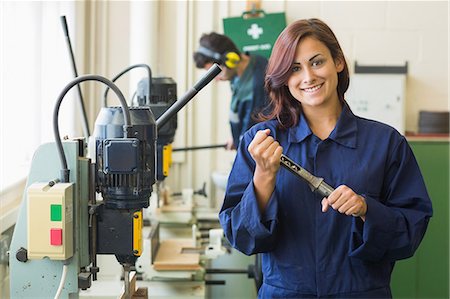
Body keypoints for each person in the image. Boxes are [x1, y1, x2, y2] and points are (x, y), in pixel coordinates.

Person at [219, 18, 433, 298]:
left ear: (338, 62)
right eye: (295, 69)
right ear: (283, 77)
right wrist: (263, 178)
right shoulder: (260, 142)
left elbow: (410, 230)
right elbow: (241, 237)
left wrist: (366, 209)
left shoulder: (386, 143)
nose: (308, 77)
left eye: (317, 62)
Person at [193, 32, 269, 150]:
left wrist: (241, 141)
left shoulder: (256, 85)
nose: (216, 79)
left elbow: (254, 132)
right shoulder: (241, 72)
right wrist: (236, 137)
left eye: (216, 73)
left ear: (230, 60)